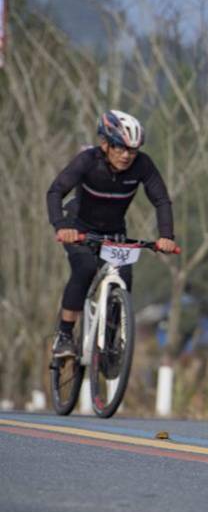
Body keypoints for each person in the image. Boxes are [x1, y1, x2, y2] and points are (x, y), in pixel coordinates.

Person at [46, 110, 176, 358]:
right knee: (84, 268)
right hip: (78, 227)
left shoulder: (143, 165)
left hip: (114, 232)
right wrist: (62, 226)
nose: (126, 155)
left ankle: (110, 342)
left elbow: (161, 200)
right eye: (120, 147)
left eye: (133, 150)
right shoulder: (87, 161)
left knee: (124, 277)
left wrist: (167, 235)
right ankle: (64, 335)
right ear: (105, 143)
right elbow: (55, 191)